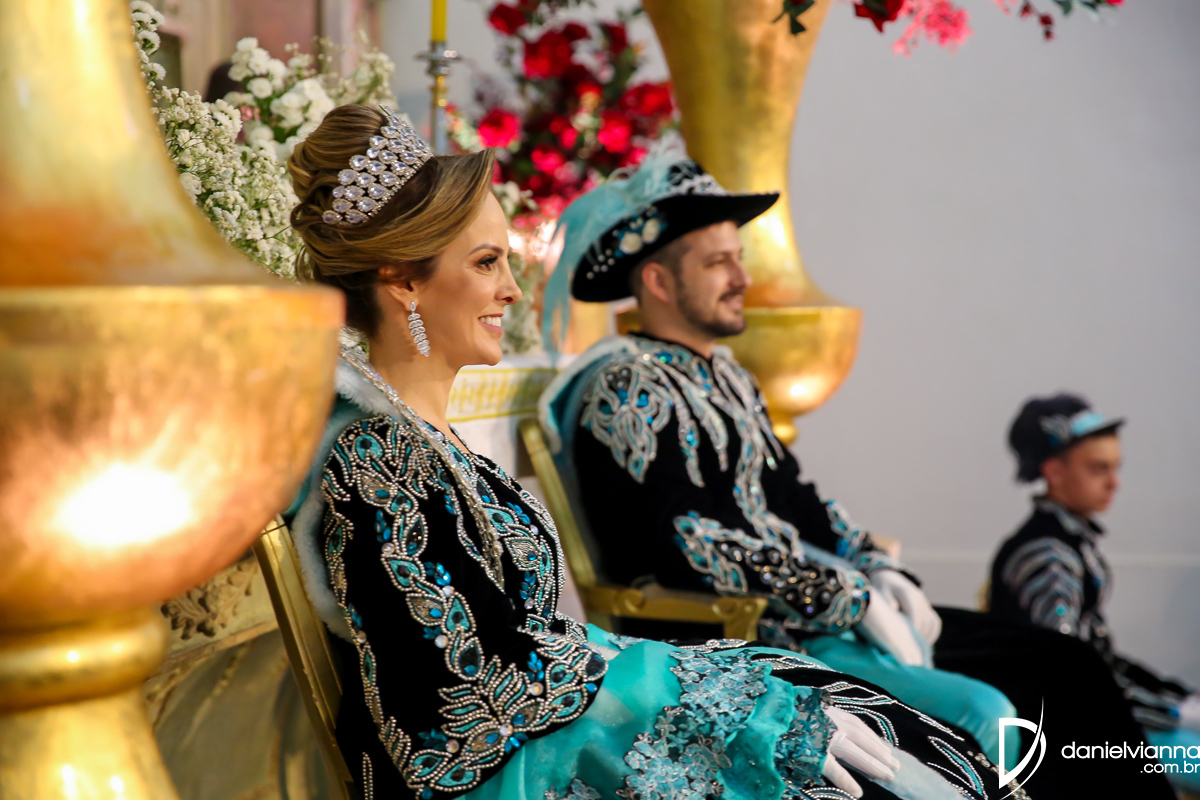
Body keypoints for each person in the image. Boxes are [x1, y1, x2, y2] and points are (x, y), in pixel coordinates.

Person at [280, 105, 1028, 800]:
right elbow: (467, 681)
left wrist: (831, 601)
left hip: (564, 721)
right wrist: (722, 697)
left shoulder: (428, 444)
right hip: (515, 768)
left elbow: (790, 498)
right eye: (485, 263)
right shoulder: (376, 458)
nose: (512, 289)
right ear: (402, 279)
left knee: (876, 724)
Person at [537, 148, 1177, 799]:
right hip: (752, 634)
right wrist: (845, 595)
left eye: (738, 257)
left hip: (820, 617)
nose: (742, 276)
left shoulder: (726, 375)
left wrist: (876, 567)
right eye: (717, 262)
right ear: (658, 281)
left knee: (1065, 662)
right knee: (1001, 702)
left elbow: (796, 499)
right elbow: (685, 541)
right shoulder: (625, 387)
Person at [991, 393, 1200, 793]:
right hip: (1075, 738)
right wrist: (1172, 712)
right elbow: (1073, 676)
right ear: (1054, 472)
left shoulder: (1067, 542)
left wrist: (1176, 699)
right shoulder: (1046, 555)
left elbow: (1095, 659)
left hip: (1099, 719)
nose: (1114, 482)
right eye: (1098, 468)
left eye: (1115, 467)